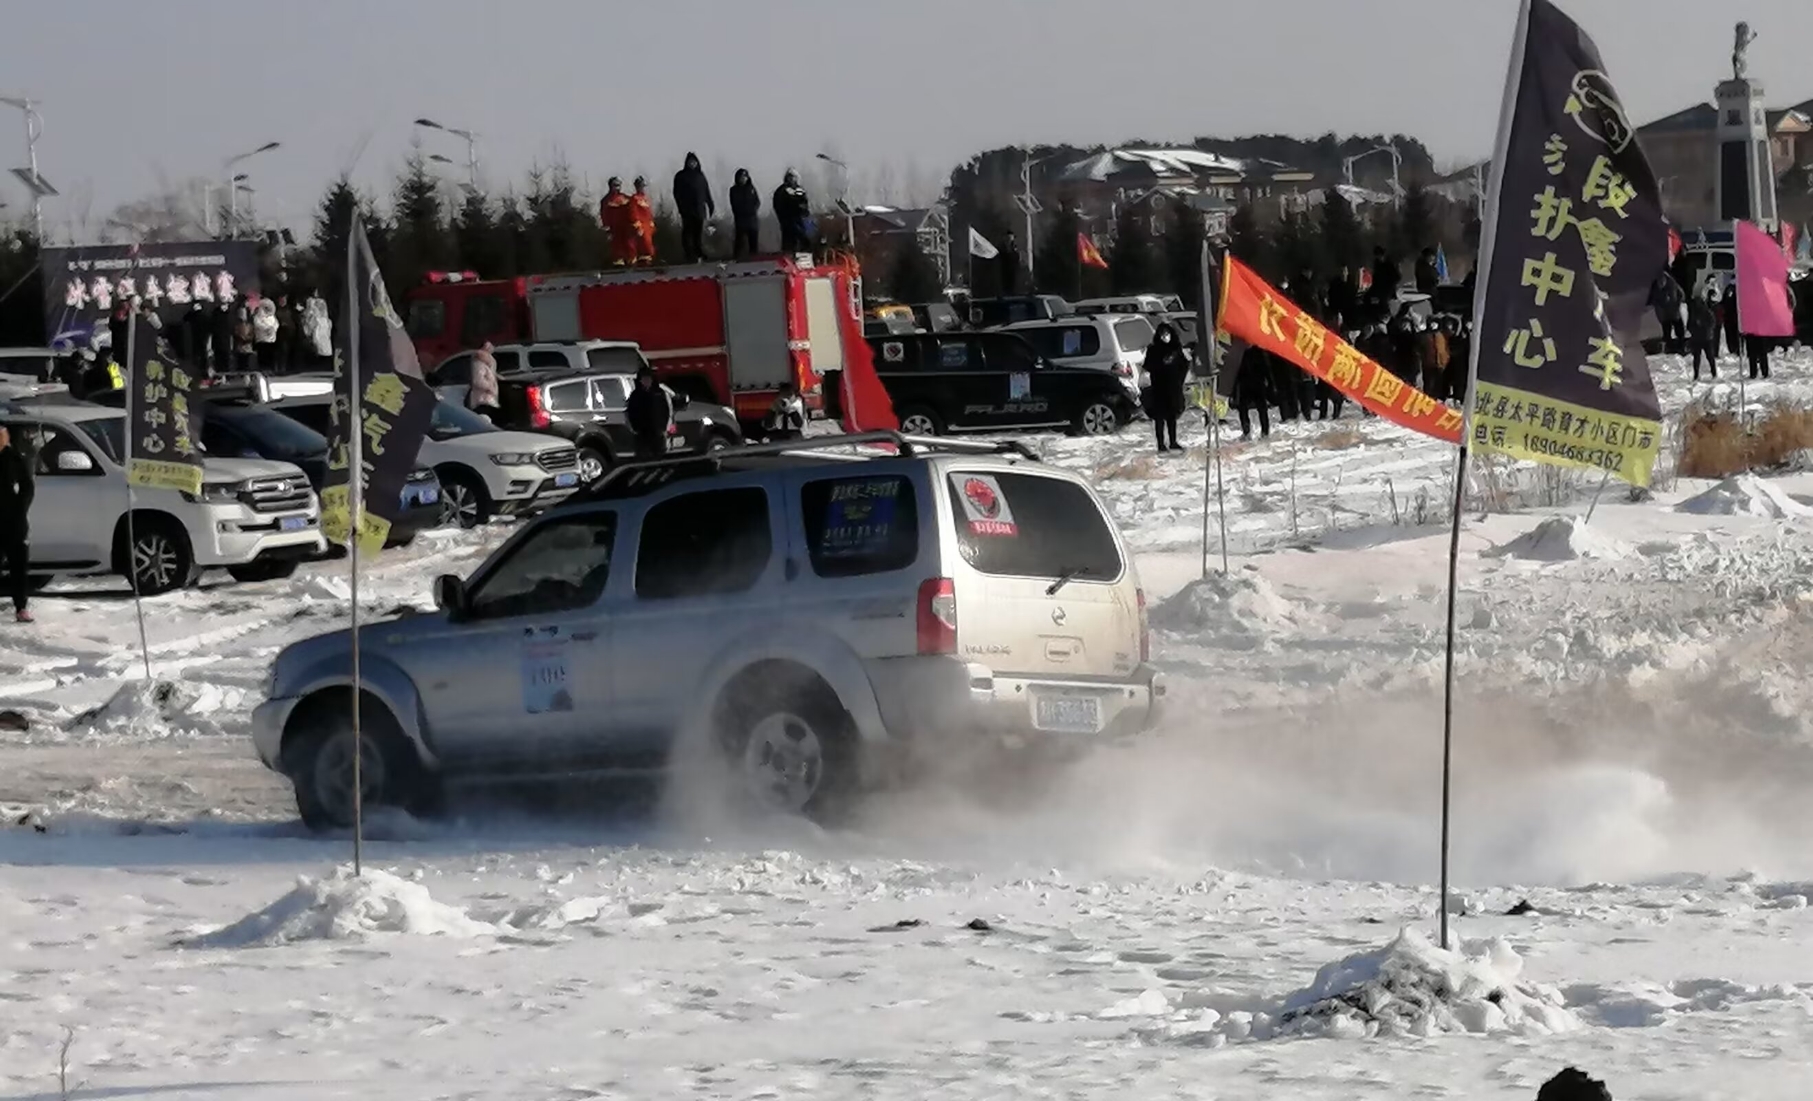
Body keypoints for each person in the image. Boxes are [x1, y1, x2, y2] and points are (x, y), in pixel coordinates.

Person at [0, 425, 35, 624]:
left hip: (13, 520)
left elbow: (27, 485)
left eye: (1, 436)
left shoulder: (14, 457)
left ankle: (21, 607)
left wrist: (20, 507)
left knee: (18, 566)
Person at [1145, 323, 1189, 453]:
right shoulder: (1153, 349)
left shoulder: (1175, 349)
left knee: (1172, 416)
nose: (1165, 336)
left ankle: (1173, 442)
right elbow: (1148, 366)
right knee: (1159, 417)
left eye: (1167, 333)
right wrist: (1161, 364)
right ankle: (1160, 444)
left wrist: (1179, 380)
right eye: (1162, 333)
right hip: (1159, 387)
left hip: (1173, 387)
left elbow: (1184, 366)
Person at [672, 152, 715, 263]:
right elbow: (676, 193)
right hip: (687, 210)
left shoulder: (700, 176)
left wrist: (710, 204)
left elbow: (706, 191)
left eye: (694, 162)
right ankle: (689, 253)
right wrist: (681, 207)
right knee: (688, 233)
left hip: (699, 209)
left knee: (698, 232)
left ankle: (699, 251)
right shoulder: (681, 176)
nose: (692, 164)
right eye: (690, 162)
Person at [625, 366, 674, 459]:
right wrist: (634, 429)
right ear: (640, 381)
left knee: (660, 457)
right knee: (643, 458)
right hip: (642, 434)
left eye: (648, 379)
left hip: (658, 433)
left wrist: (665, 428)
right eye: (643, 379)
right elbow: (629, 413)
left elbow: (668, 410)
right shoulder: (635, 395)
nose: (646, 381)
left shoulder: (660, 393)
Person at [773, 169, 811, 255]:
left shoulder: (799, 189)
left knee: (802, 236)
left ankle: (804, 253)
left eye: (793, 177)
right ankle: (788, 254)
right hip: (787, 218)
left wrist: (804, 210)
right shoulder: (782, 190)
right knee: (789, 238)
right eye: (790, 177)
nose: (792, 179)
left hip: (799, 217)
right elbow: (777, 204)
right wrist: (782, 215)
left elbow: (804, 201)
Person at [1648, 270, 1686, 355]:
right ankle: (1669, 347)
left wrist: (1678, 303)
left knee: (1679, 329)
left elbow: (1681, 294)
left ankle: (1681, 346)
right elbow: (1654, 300)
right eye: (1659, 283)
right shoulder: (1656, 288)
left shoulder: (1672, 284)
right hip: (1665, 313)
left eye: (1662, 283)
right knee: (1667, 330)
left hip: (1674, 311)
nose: (1661, 285)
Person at [1687, 286, 1720, 381]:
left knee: (1709, 357)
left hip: (1706, 338)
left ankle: (1713, 373)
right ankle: (1697, 374)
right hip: (1700, 338)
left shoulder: (1706, 312)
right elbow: (1690, 325)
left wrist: (1701, 326)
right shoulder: (1694, 313)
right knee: (1698, 358)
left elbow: (1712, 323)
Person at [600, 177, 635, 266]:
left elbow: (632, 211)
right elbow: (604, 214)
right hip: (614, 228)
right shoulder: (606, 200)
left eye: (618, 185)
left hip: (626, 227)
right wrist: (606, 228)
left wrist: (634, 223)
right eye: (615, 185)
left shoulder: (626, 198)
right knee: (616, 247)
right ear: (610, 186)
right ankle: (619, 263)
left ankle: (632, 261)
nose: (617, 188)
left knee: (629, 244)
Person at [729, 169, 762, 259]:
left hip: (752, 219)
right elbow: (734, 204)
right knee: (740, 241)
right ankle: (737, 258)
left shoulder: (751, 188)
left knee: (753, 241)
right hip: (741, 219)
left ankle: (754, 258)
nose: (743, 179)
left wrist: (753, 209)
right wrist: (743, 211)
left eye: (744, 177)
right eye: (741, 177)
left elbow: (757, 201)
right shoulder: (734, 190)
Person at [468, 342, 500, 421]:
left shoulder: (487, 363)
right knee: (485, 420)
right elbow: (478, 381)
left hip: (488, 398)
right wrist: (490, 388)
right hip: (482, 399)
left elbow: (491, 375)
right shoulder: (479, 364)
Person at [629, 177, 658, 266]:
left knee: (649, 244)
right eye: (640, 186)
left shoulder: (646, 199)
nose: (642, 188)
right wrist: (637, 225)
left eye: (643, 186)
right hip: (641, 225)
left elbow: (648, 212)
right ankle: (642, 261)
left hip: (647, 225)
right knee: (643, 243)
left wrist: (651, 223)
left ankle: (648, 260)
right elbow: (633, 212)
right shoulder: (634, 198)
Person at [252, 297, 279, 369]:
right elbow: (257, 325)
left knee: (270, 355)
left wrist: (272, 328)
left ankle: (270, 368)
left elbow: (276, 324)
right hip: (261, 339)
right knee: (262, 355)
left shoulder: (272, 317)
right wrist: (266, 328)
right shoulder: (258, 317)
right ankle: (262, 368)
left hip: (271, 340)